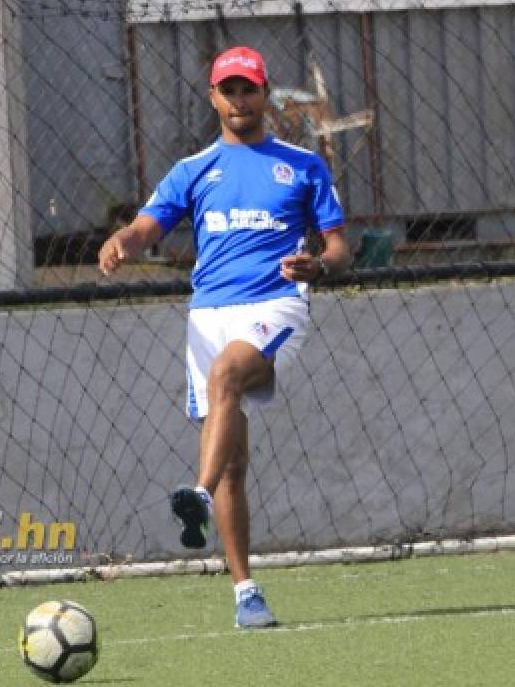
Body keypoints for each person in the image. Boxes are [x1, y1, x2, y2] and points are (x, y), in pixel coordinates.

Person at [98, 45, 351, 629]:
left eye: (250, 89)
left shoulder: (302, 165)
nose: (240, 99)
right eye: (229, 89)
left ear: (266, 96)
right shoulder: (192, 171)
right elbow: (145, 227)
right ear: (213, 97)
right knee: (234, 461)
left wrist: (318, 263)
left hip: (276, 306)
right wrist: (121, 243)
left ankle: (199, 494)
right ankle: (246, 594)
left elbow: (339, 248)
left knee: (227, 376)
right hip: (207, 315)